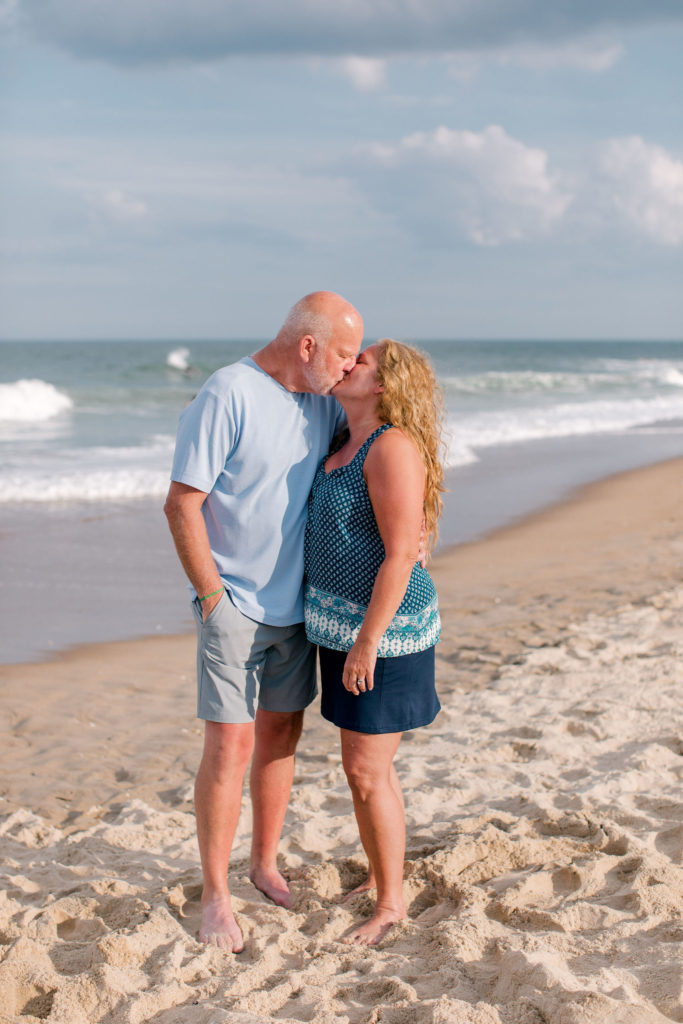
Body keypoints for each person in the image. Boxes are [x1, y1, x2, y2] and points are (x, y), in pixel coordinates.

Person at [164, 291, 364, 952]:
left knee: (280, 735)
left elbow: (379, 450)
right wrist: (213, 598)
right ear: (306, 345)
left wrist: (416, 526)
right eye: (339, 354)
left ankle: (262, 862)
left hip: (296, 607)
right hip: (235, 607)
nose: (346, 367)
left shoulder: (323, 399)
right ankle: (216, 895)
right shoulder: (228, 393)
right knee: (230, 748)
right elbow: (181, 503)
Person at [304, 339, 444, 946]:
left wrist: (367, 643)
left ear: (384, 385)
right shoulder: (344, 438)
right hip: (344, 628)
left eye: (359, 361)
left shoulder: (390, 447)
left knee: (368, 770)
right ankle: (382, 877)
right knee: (359, 767)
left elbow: (398, 556)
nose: (346, 363)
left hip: (382, 636)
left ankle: (390, 903)